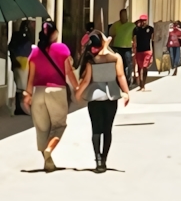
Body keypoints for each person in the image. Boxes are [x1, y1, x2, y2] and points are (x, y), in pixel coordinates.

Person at [72, 31, 130, 172]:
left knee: (96, 129)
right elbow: (121, 75)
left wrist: (77, 94)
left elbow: (86, 81)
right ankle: (104, 159)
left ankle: (98, 160)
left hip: (95, 98)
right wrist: (127, 92)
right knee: (107, 130)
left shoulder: (92, 60)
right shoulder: (116, 58)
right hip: (111, 97)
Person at [25, 21, 77, 172]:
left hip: (38, 92)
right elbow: (69, 72)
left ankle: (48, 163)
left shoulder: (34, 52)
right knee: (59, 125)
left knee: (42, 128)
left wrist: (28, 94)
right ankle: (49, 150)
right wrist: (77, 87)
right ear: (54, 33)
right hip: (56, 91)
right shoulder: (62, 49)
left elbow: (31, 76)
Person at [8, 20, 33, 116]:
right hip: (21, 61)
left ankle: (19, 107)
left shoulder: (21, 36)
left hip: (22, 61)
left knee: (21, 86)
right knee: (22, 86)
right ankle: (21, 107)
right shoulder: (22, 36)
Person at [132, 13, 155, 90]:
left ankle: (143, 84)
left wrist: (153, 52)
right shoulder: (136, 29)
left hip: (147, 51)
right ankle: (140, 84)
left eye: (144, 20)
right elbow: (134, 40)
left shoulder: (150, 29)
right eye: (142, 20)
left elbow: (153, 40)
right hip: (139, 51)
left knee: (145, 67)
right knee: (139, 67)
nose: (143, 22)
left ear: (146, 20)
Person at [109, 9, 135, 75]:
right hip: (117, 47)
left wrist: (134, 46)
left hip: (127, 48)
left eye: (124, 15)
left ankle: (128, 80)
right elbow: (111, 36)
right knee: (119, 64)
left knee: (128, 64)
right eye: (122, 15)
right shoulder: (115, 25)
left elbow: (134, 37)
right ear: (119, 16)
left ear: (127, 16)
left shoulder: (131, 26)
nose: (123, 17)